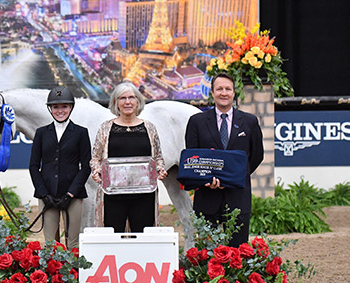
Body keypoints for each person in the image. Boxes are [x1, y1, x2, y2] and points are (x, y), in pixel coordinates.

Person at [184, 72, 264, 247]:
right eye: (219, 89)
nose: (224, 93)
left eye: (228, 89)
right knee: (207, 253)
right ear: (212, 92)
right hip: (207, 197)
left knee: (238, 253)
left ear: (234, 92)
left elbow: (257, 155)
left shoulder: (249, 122)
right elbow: (192, 158)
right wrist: (206, 180)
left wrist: (232, 177)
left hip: (237, 196)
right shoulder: (196, 122)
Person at [90, 82, 168, 232]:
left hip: (144, 195)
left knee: (142, 237)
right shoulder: (105, 128)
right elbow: (95, 158)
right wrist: (96, 171)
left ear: (138, 101)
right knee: (114, 237)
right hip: (113, 195)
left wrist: (160, 169)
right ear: (115, 102)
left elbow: (158, 158)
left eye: (131, 98)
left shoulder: (149, 128)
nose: (127, 102)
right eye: (122, 98)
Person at [29, 86, 91, 248]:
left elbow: (86, 166)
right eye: (55, 107)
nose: (60, 110)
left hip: (73, 195)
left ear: (70, 107)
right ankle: (52, 274)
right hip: (47, 194)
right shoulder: (41, 133)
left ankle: (75, 273)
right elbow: (34, 166)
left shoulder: (80, 132)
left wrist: (70, 194)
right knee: (50, 244)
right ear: (50, 109)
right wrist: (43, 193)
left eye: (64, 106)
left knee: (73, 243)